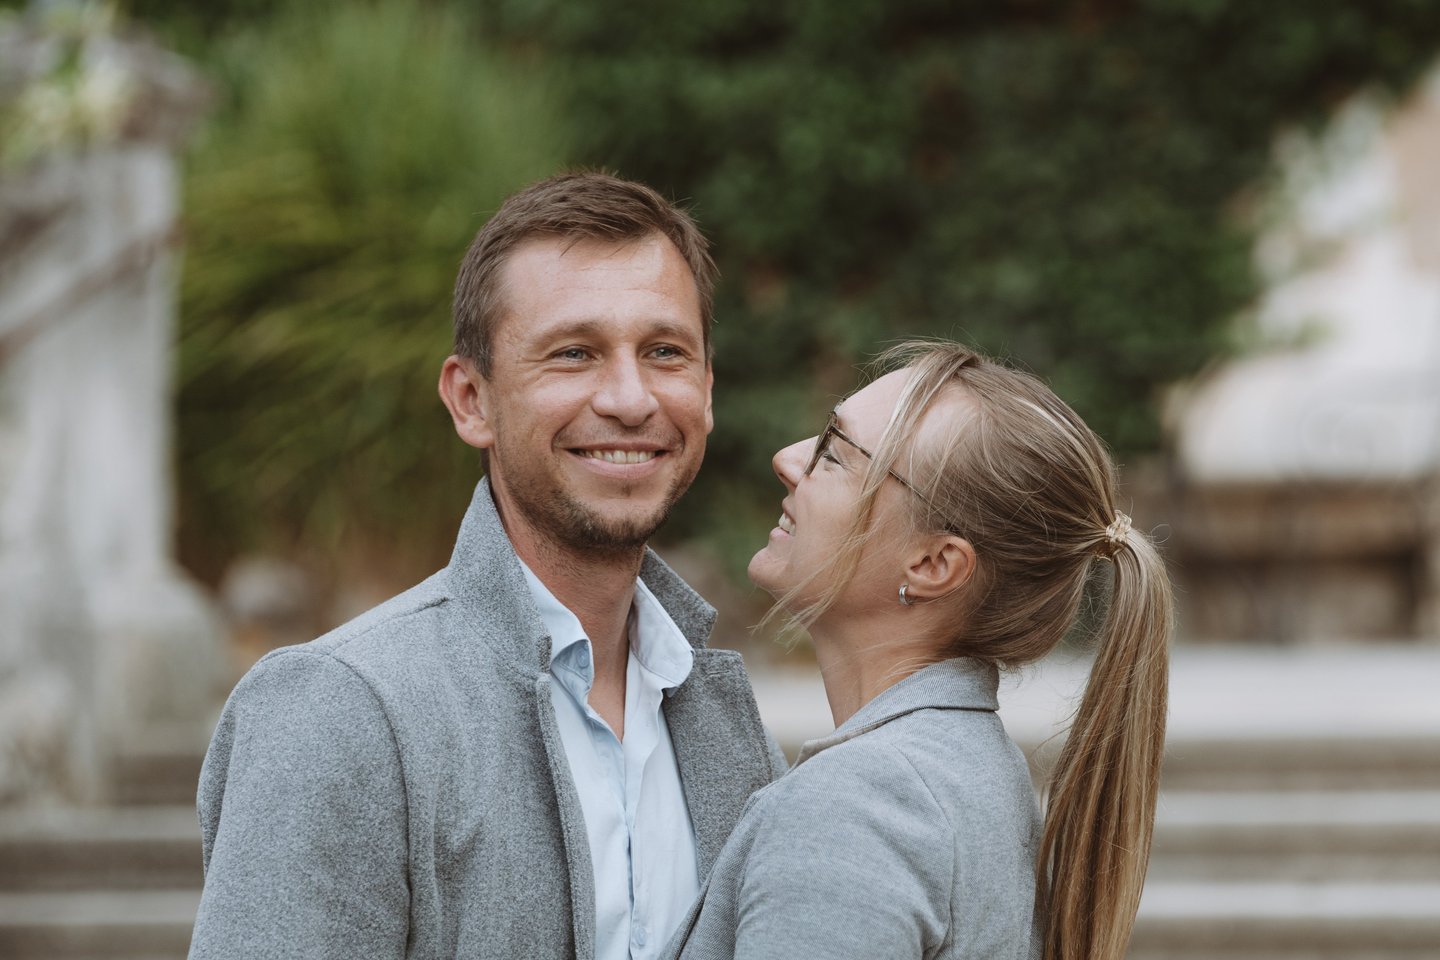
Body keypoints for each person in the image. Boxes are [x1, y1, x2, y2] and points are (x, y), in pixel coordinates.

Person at [188, 172, 787, 960]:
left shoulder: (727, 725)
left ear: (706, 391)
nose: (631, 398)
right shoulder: (340, 710)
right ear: (471, 400)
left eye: (665, 352)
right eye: (574, 353)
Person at [663, 341, 1173, 960]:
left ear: (933, 564)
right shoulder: (966, 767)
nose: (788, 459)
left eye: (835, 454)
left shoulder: (854, 809)